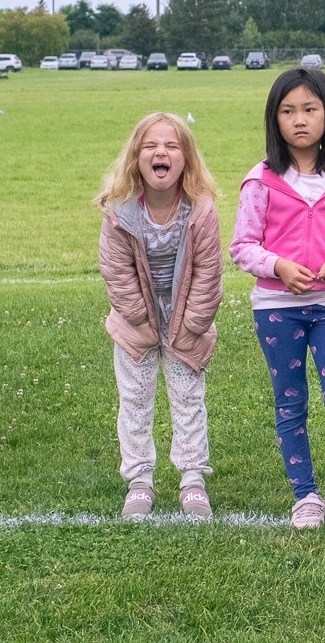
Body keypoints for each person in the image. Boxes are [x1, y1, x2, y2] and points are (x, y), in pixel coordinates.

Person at [231, 68, 325, 530]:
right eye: (288, 110)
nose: (299, 120)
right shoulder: (261, 181)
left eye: (310, 109)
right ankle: (306, 496)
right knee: (290, 403)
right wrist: (278, 267)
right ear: (274, 120)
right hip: (276, 310)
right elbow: (242, 246)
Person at [96, 112, 222, 519]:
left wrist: (190, 326)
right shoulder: (120, 211)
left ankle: (192, 479)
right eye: (150, 146)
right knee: (134, 398)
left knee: (188, 398)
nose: (160, 152)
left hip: (187, 317)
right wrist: (142, 321)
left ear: (186, 157)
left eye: (171, 145)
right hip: (137, 319)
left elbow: (208, 272)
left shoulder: (200, 210)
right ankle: (139, 480)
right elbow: (116, 271)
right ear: (136, 157)